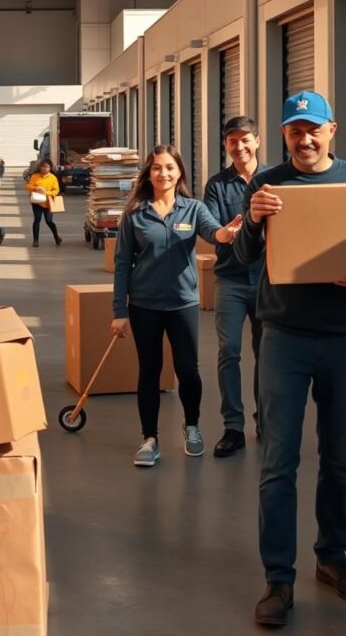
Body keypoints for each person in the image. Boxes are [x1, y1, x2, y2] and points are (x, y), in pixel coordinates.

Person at [235, 91, 346, 628]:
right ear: (284, 135)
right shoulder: (266, 184)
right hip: (282, 336)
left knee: (341, 458)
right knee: (279, 463)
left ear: (332, 130)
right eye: (294, 130)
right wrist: (254, 221)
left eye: (313, 129)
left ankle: (333, 557)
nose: (304, 139)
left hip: (342, 336)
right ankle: (279, 578)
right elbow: (242, 259)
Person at [111, 144, 241, 467]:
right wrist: (119, 311)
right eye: (157, 168)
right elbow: (122, 262)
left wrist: (226, 234)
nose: (163, 173)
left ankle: (192, 426)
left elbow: (213, 231)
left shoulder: (193, 209)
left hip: (183, 303)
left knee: (187, 369)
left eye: (169, 167)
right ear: (149, 173)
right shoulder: (135, 214)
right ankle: (149, 439)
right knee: (149, 371)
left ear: (179, 171)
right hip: (144, 305)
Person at [203, 116, 267, 457]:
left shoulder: (274, 180)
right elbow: (215, 228)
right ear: (225, 145)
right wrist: (225, 231)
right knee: (229, 352)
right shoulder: (217, 185)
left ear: (257, 140)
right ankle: (233, 427)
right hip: (230, 278)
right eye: (232, 141)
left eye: (245, 140)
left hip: (268, 280)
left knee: (266, 353)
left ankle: (264, 422)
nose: (239, 147)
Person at [26, 158, 62, 248]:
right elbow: (28, 186)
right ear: (40, 167)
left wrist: (46, 193)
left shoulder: (53, 178)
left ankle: (56, 236)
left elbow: (56, 190)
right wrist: (35, 188)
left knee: (49, 221)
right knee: (37, 220)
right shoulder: (35, 176)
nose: (44, 168)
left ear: (50, 168)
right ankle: (35, 240)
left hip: (48, 202)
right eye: (42, 167)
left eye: (47, 167)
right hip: (37, 202)